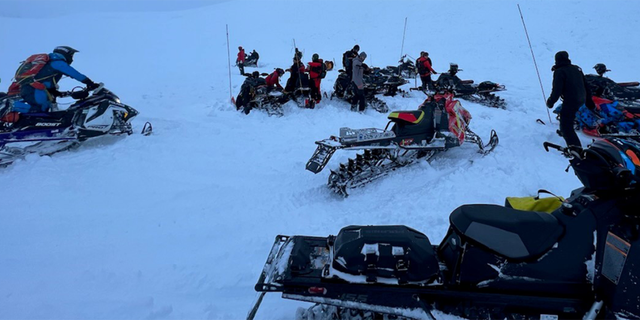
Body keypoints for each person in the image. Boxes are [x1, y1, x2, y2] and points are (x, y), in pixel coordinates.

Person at [18, 46, 98, 113]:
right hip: (34, 90)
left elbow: (46, 81)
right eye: (71, 55)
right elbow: (74, 73)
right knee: (39, 110)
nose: (72, 59)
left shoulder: (49, 63)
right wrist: (90, 83)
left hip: (33, 89)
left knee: (44, 110)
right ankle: (12, 106)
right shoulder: (57, 62)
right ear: (65, 53)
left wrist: (55, 92)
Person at [546, 51, 595, 148]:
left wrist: (550, 102)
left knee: (566, 127)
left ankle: (576, 149)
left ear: (557, 60)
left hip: (571, 101)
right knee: (567, 118)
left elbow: (557, 90)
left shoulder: (560, 71)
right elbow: (586, 86)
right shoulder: (576, 69)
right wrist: (589, 102)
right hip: (581, 99)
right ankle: (565, 132)